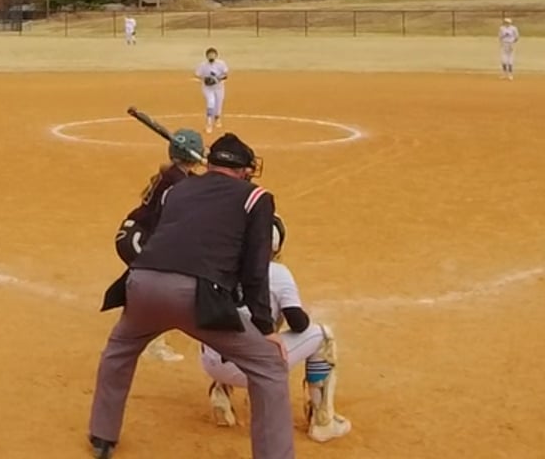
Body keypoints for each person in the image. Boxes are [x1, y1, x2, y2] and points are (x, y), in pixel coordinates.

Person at [87, 133, 290, 459]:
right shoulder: (256, 197)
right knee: (269, 366)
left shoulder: (177, 189)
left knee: (119, 350)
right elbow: (255, 269)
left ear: (209, 164)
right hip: (197, 297)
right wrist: (265, 327)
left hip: (142, 284)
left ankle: (102, 436)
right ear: (244, 169)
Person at [199, 214, 352, 443]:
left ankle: (220, 393)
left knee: (233, 322)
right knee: (322, 337)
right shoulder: (277, 273)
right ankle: (323, 421)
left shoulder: (219, 265)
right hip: (247, 368)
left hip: (209, 360)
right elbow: (298, 323)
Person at [113, 126, 206, 363]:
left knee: (153, 286)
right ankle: (151, 343)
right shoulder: (178, 183)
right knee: (157, 286)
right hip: (137, 239)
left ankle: (136, 326)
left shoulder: (175, 175)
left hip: (136, 234)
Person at [196, 48, 230, 135]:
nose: (211, 56)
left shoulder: (221, 64)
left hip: (219, 88)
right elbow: (198, 75)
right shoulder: (203, 65)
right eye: (209, 55)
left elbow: (226, 75)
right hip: (207, 88)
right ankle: (209, 123)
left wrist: (217, 79)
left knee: (218, 105)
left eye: (213, 54)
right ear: (206, 56)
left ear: (216, 55)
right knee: (211, 102)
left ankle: (217, 118)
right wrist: (205, 79)